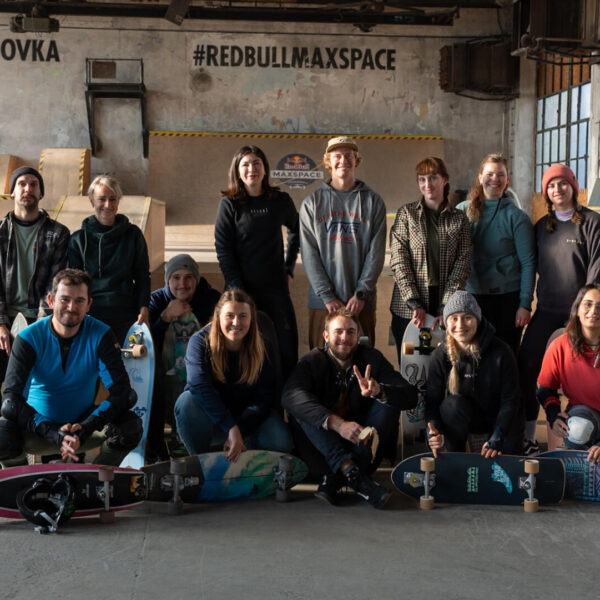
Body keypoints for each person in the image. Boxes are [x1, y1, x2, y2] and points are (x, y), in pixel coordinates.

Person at [0, 269, 142, 466]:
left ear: (89, 304)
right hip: (38, 429)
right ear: (51, 301)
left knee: (130, 425)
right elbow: (11, 400)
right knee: (3, 430)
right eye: (64, 299)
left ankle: (98, 479)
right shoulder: (28, 338)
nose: (71, 307)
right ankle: (22, 481)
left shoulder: (101, 335)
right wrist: (53, 433)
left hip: (83, 428)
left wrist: (86, 427)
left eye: (79, 301)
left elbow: (121, 391)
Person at [282, 308, 417, 509]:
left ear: (358, 336)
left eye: (351, 332)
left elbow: (411, 396)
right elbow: (288, 395)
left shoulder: (372, 358)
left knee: (388, 402)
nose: (345, 338)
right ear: (326, 336)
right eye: (338, 331)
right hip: (321, 454)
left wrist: (380, 391)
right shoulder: (312, 360)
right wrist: (337, 424)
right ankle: (351, 472)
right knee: (302, 407)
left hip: (363, 451)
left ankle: (341, 476)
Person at [519, 164, 600, 455]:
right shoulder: (542, 226)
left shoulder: (591, 222)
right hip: (547, 309)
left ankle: (586, 429)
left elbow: (596, 271)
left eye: (563, 183)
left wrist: (585, 310)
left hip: (580, 314)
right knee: (527, 365)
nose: (558, 189)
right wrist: (525, 304)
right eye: (551, 185)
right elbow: (530, 266)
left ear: (573, 187)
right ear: (546, 192)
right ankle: (529, 437)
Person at [174, 289, 293, 461]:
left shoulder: (263, 347)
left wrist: (240, 430)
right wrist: (230, 427)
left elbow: (263, 399)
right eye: (229, 316)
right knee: (187, 402)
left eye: (243, 316)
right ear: (218, 317)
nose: (236, 322)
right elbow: (199, 386)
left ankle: (244, 451)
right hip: (211, 421)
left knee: (281, 442)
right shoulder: (199, 342)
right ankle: (200, 462)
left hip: (248, 420)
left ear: (251, 319)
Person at [215, 146, 299, 380]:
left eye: (256, 163)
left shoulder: (280, 200)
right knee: (244, 352)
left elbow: (297, 230)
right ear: (237, 171)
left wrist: (289, 266)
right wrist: (236, 289)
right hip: (241, 292)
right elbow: (223, 249)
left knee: (285, 351)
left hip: (276, 289)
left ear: (264, 169)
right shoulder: (229, 204)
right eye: (245, 164)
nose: (251, 168)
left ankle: (283, 400)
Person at [300, 136, 386, 349]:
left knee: (363, 359)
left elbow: (376, 254)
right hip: (324, 304)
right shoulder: (312, 203)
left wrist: (361, 293)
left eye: (349, 155)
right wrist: (327, 296)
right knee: (320, 361)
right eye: (337, 156)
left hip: (360, 304)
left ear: (356, 160)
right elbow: (309, 254)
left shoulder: (373, 202)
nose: (343, 160)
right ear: (328, 162)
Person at [389, 156, 471, 362]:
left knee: (443, 364)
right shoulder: (406, 214)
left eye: (433, 178)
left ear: (444, 179)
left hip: (444, 302)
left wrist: (446, 306)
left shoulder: (459, 219)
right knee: (411, 363)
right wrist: (414, 302)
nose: (428, 184)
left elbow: (462, 264)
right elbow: (399, 260)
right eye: (422, 179)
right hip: (408, 308)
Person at [426, 291, 523, 458]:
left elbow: (511, 400)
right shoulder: (440, 355)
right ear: (446, 322)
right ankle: (456, 455)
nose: (460, 325)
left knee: (509, 459)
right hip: (464, 417)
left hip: (499, 419)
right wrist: (434, 432)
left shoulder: (501, 352)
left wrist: (498, 435)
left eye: (467, 317)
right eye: (454, 318)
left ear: (478, 319)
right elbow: (432, 402)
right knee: (450, 406)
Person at [456, 154, 535, 355]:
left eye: (501, 175)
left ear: (508, 180)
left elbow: (528, 263)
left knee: (506, 355)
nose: (495, 179)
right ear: (480, 177)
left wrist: (525, 304)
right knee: (474, 356)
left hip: (507, 300)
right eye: (490, 174)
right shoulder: (462, 212)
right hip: (472, 296)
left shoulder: (518, 218)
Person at [147, 253, 221, 461]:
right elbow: (146, 342)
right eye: (176, 277)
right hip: (164, 368)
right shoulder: (156, 300)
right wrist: (165, 318)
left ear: (196, 279)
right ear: (168, 280)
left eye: (189, 277)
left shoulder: (212, 298)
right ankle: (157, 447)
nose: (182, 284)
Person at [0, 166, 69, 388]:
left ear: (41, 193)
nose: (27, 189)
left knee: (35, 387)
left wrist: (42, 326)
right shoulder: (0, 232)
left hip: (39, 319)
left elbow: (55, 283)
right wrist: (0, 323)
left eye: (33, 184)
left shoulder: (58, 233)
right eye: (21, 184)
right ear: (12, 192)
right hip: (3, 319)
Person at [68, 175, 150, 344]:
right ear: (91, 201)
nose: (108, 205)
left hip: (126, 313)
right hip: (91, 315)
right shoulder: (78, 239)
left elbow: (142, 276)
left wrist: (144, 308)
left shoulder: (133, 235)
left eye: (113, 199)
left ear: (118, 201)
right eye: (101, 199)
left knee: (127, 360)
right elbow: (74, 285)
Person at [537, 285, 600, 463]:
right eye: (588, 304)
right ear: (577, 310)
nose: (594, 311)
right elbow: (546, 390)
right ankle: (582, 469)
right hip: (585, 416)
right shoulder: (560, 346)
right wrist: (553, 416)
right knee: (577, 429)